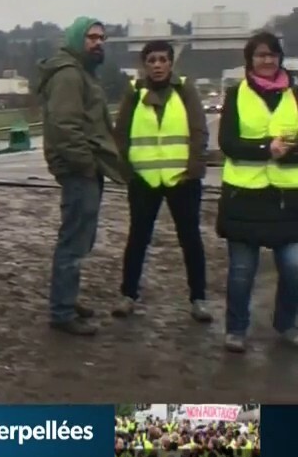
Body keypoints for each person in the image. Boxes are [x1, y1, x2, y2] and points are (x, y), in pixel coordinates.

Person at [35, 16, 125, 335]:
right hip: (79, 170)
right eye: (92, 37)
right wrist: (86, 164)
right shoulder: (70, 75)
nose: (98, 43)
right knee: (73, 241)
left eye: (102, 38)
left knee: (80, 238)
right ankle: (61, 312)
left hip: (85, 168)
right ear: (77, 39)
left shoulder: (82, 73)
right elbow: (65, 126)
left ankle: (67, 300)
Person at [111, 40, 213, 322]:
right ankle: (128, 295)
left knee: (190, 238)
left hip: (182, 179)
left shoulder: (185, 91)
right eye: (152, 60)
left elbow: (198, 131)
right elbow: (121, 134)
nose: (157, 65)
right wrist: (127, 170)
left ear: (171, 63)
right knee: (138, 238)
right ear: (145, 65)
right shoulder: (134, 93)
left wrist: (193, 170)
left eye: (162, 60)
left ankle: (199, 298)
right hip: (144, 179)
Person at [215, 31, 298, 353]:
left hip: (287, 199)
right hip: (245, 197)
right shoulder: (237, 95)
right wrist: (266, 149)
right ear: (249, 60)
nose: (267, 60)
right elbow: (228, 144)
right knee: (241, 271)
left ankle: (287, 322)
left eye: (272, 55)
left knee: (294, 267)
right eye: (261, 55)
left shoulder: (295, 95)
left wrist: (284, 152)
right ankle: (236, 329)